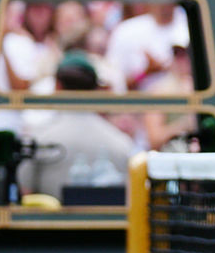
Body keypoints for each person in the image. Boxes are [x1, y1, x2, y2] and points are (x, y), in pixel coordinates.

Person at [16, 51, 136, 200]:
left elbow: (25, 192)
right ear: (94, 90)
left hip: (49, 223)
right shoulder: (122, 143)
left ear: (57, 86)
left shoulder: (38, 139)